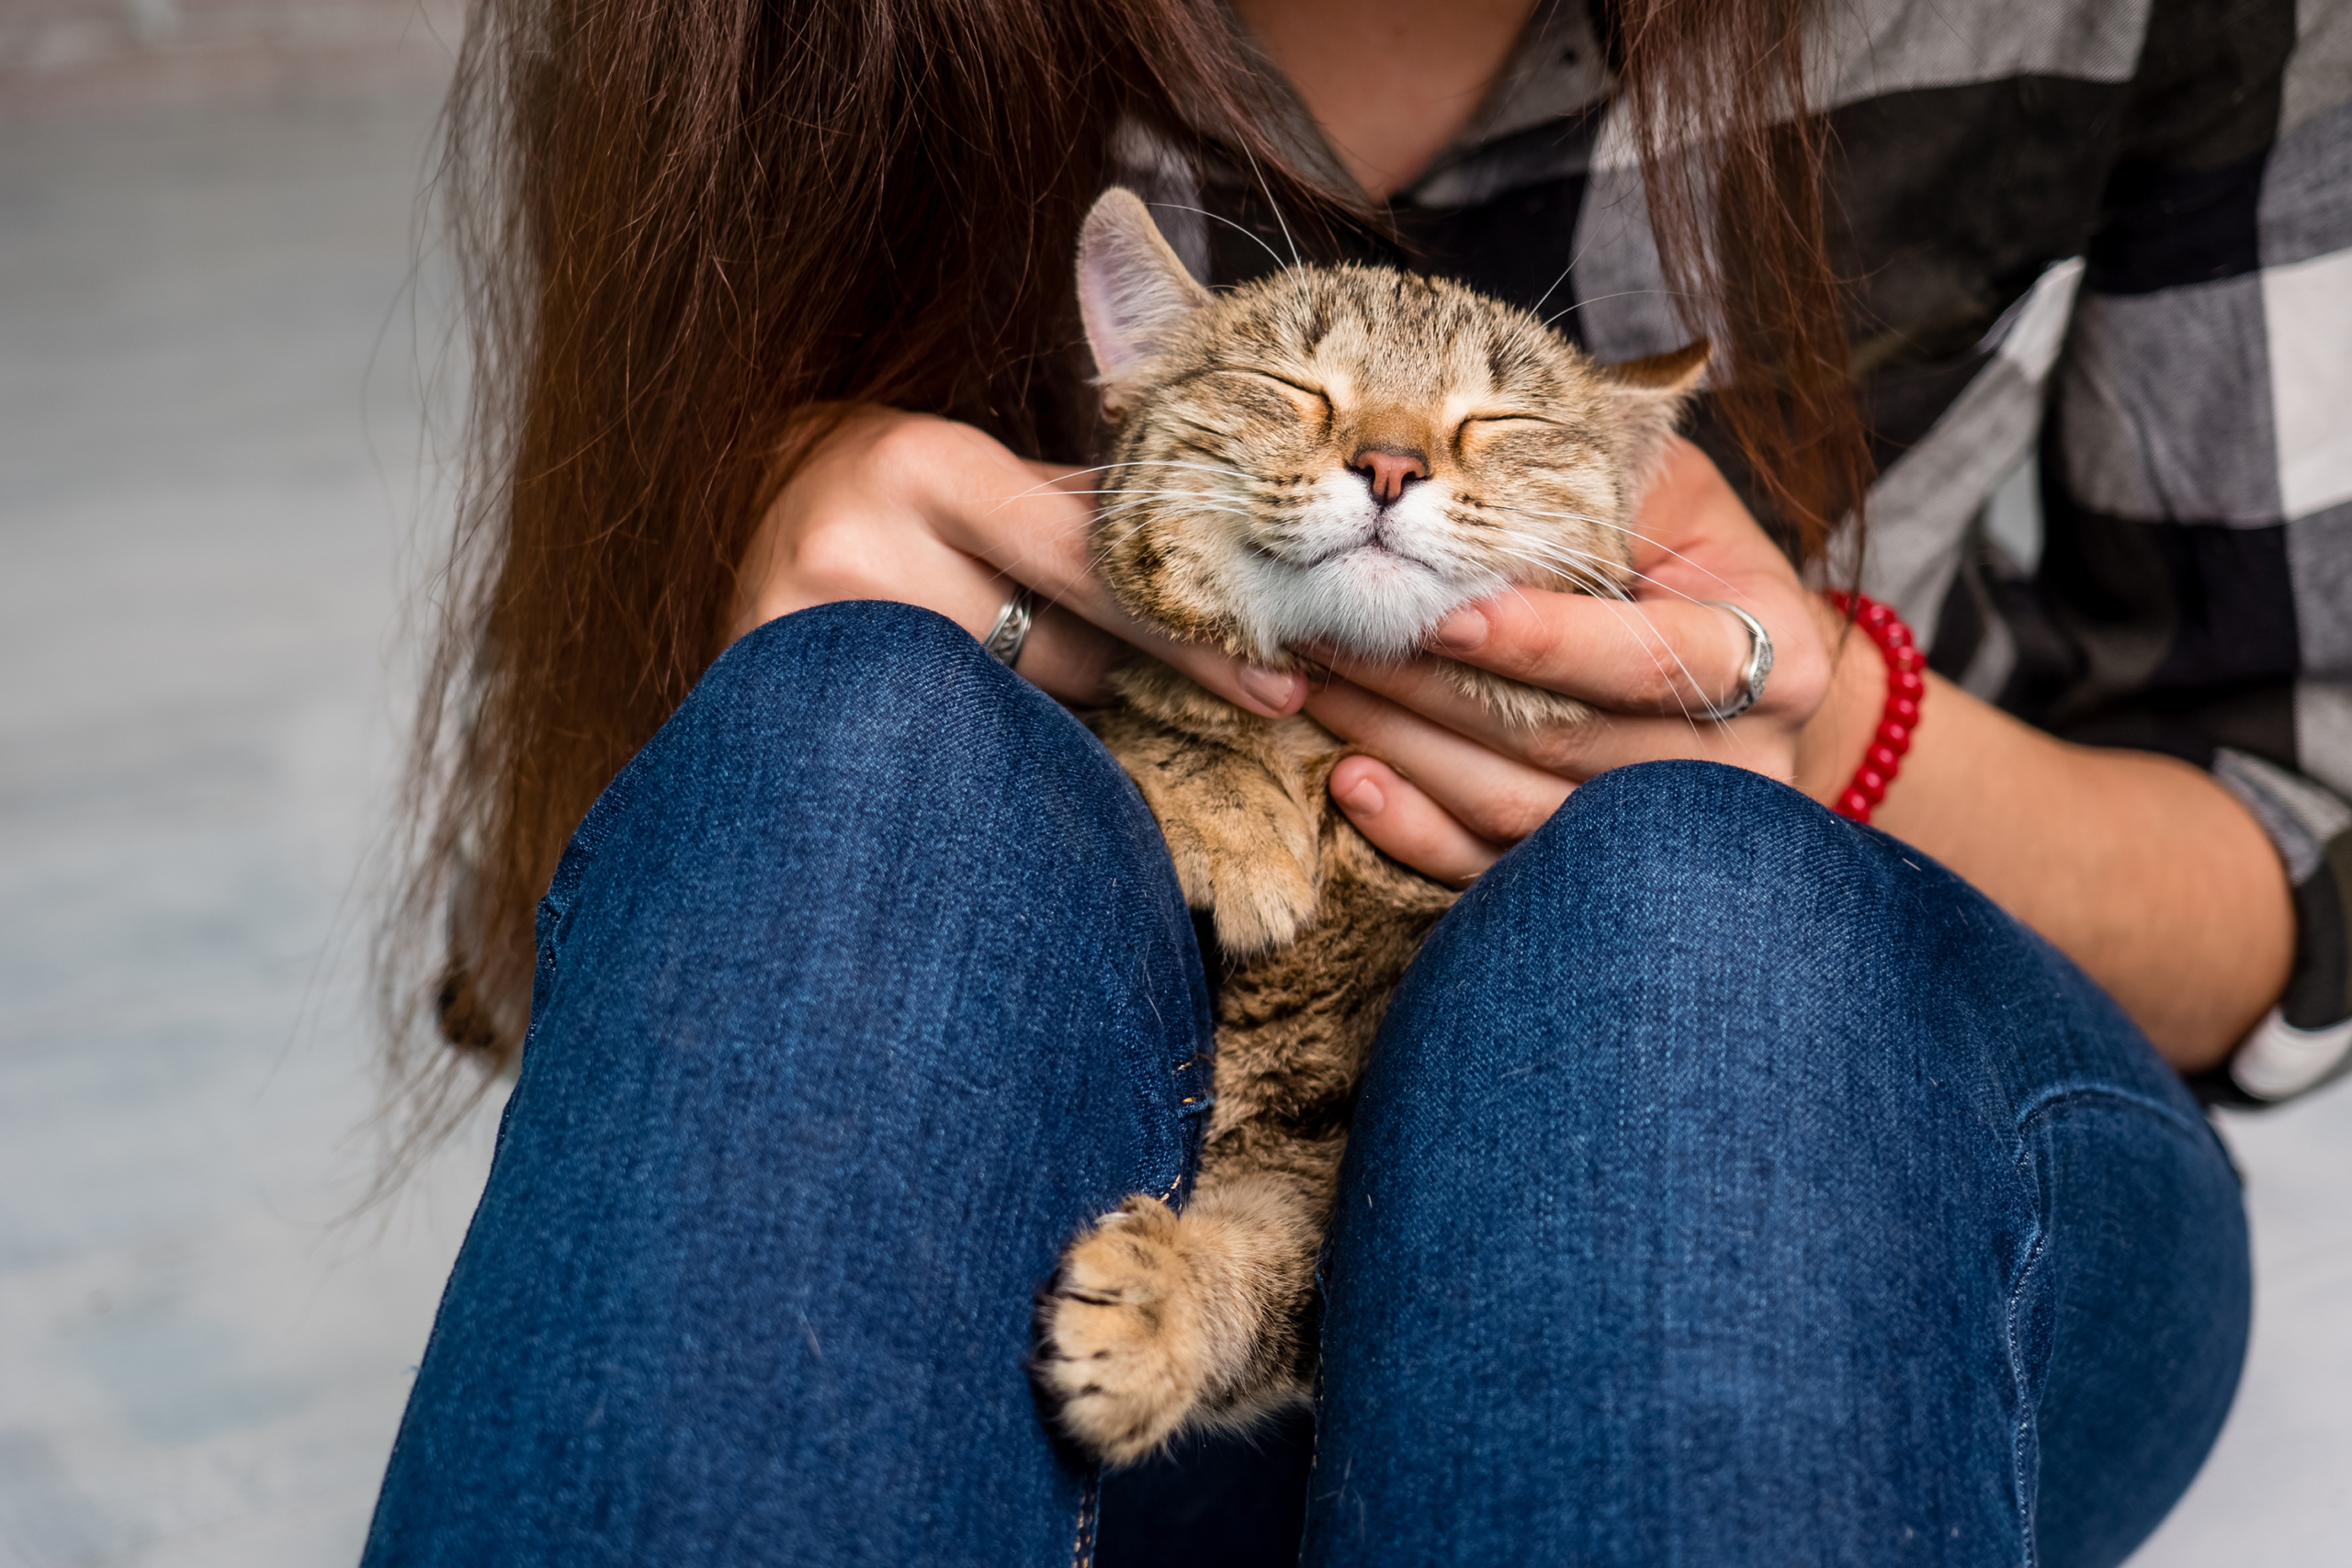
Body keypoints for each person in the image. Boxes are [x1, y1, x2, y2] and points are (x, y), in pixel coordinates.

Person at [363, 0, 2352, 1562]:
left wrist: (1818, 737)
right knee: (859, 737)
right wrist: (743, 540)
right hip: (1021, 1289)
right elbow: (553, 935)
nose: (1396, 465)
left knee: (1679, 919)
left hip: (1865, 1215)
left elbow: (2286, 834)